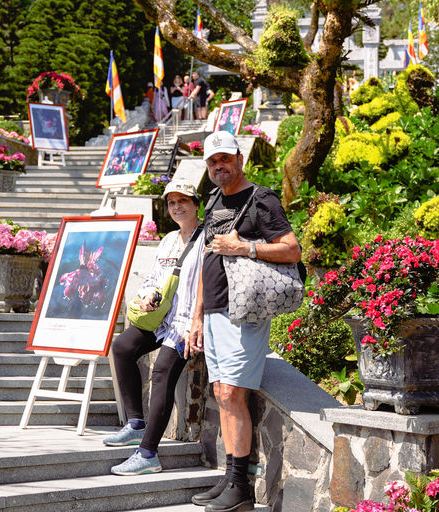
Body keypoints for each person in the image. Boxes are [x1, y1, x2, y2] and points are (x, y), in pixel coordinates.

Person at [188, 131, 301, 511]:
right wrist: (197, 314)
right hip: (216, 309)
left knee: (233, 394)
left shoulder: (262, 199)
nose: (219, 166)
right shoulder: (215, 199)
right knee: (222, 394)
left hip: (245, 312)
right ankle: (230, 480)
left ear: (239, 158)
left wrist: (245, 247)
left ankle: (242, 490)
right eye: (212, 161)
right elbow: (207, 259)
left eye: (225, 158)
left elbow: (292, 249)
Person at [105, 179, 205, 476]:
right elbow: (153, 279)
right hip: (161, 319)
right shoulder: (168, 240)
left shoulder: (206, 241)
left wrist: (194, 325)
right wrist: (147, 295)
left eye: (183, 201)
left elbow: (208, 287)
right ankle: (136, 423)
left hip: (187, 324)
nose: (177, 207)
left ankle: (148, 453)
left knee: (162, 372)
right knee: (121, 347)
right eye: (172, 203)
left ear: (196, 204)